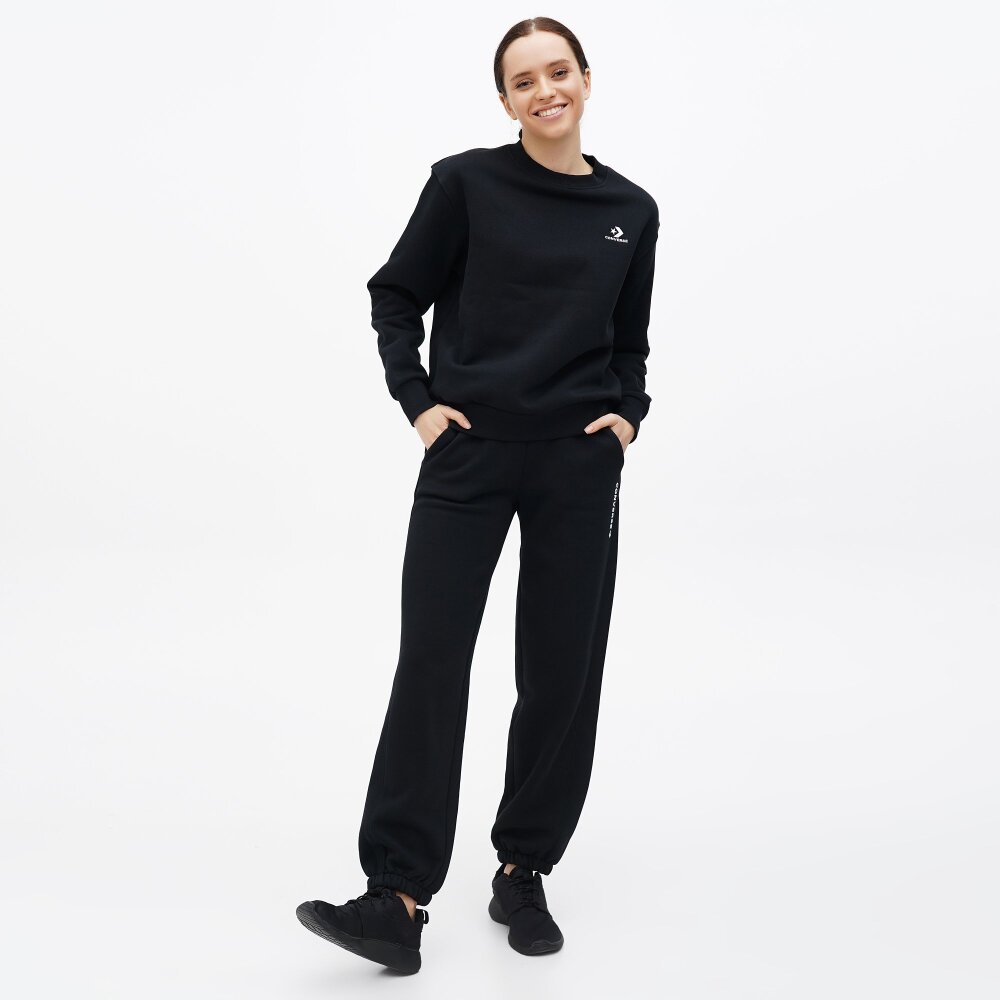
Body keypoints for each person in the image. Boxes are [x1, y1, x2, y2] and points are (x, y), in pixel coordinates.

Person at [296, 16, 659, 974]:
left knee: (561, 671)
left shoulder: (631, 209)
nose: (546, 91)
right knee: (432, 661)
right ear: (505, 101)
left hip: (577, 466)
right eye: (524, 80)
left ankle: (522, 869)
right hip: (468, 458)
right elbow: (394, 293)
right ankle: (396, 898)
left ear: (587, 79)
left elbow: (630, 341)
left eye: (559, 71)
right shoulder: (465, 184)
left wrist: (628, 415)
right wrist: (418, 403)